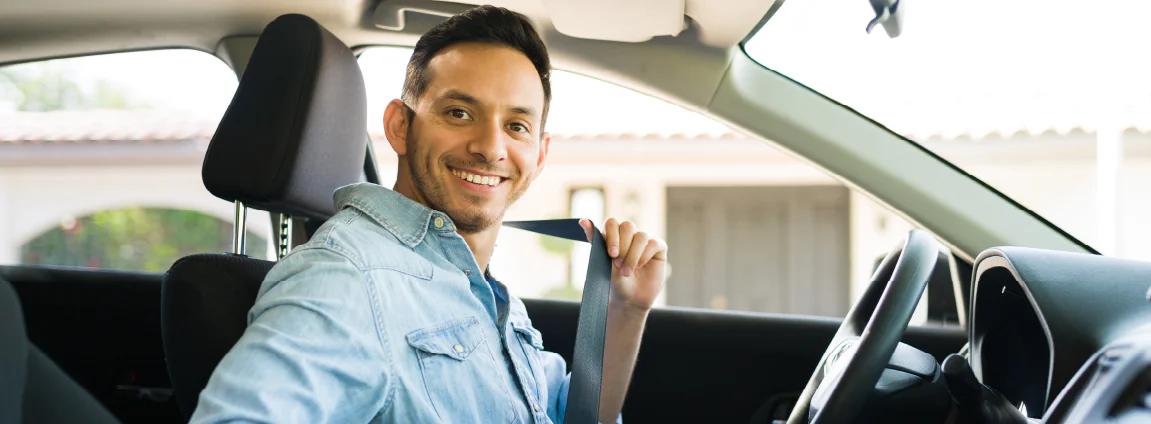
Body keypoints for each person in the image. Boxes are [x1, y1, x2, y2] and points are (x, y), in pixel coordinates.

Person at [191, 5, 669, 424]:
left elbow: (569, 414)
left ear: (539, 155)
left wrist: (626, 311)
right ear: (400, 126)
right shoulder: (348, 279)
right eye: (459, 113)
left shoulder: (478, 286)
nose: (490, 148)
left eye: (516, 125)